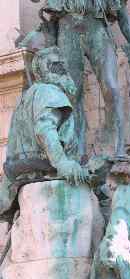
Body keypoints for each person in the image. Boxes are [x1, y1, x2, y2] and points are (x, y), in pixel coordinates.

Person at [30, 0, 130, 156]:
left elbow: (122, 14)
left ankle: (115, 148)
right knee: (72, 95)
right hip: (67, 31)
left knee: (111, 88)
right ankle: (76, 152)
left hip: (96, 29)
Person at [0, 46, 89, 221]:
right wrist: (62, 162)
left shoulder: (28, 96)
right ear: (42, 72)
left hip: (21, 174)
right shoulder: (50, 92)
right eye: (56, 66)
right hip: (44, 170)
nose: (63, 69)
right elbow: (45, 129)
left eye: (63, 65)